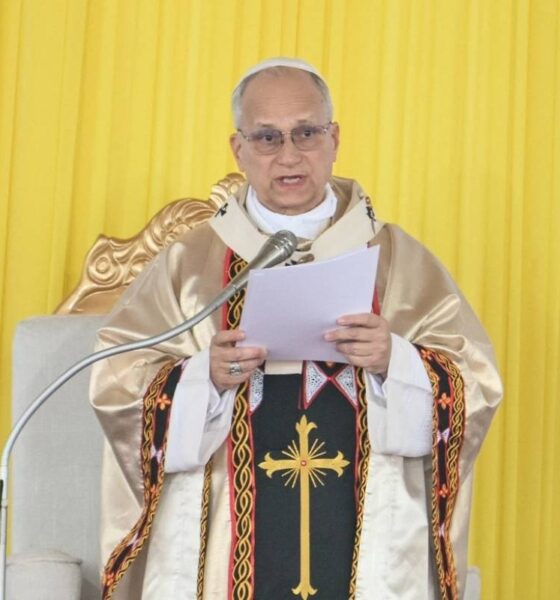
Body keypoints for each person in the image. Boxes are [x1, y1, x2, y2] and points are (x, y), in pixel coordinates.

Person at [90, 57, 502, 600]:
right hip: (222, 540)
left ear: (334, 139)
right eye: (267, 137)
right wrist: (201, 378)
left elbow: (474, 383)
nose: (288, 155)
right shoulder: (187, 267)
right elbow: (117, 382)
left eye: (306, 132)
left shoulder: (399, 260)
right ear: (238, 150)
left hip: (367, 538)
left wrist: (395, 361)